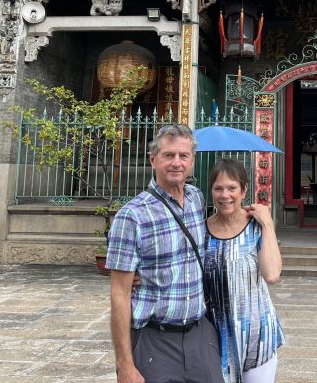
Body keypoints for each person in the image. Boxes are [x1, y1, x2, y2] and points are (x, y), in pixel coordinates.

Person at [106, 123, 224, 383]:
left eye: (184, 156)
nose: (176, 163)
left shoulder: (196, 199)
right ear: (153, 159)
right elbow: (120, 293)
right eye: (168, 155)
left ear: (192, 160)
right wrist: (125, 365)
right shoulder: (132, 216)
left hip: (199, 334)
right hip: (154, 340)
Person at [204, 158, 285, 383]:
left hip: (256, 335)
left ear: (244, 189)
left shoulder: (257, 228)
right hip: (214, 335)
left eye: (232, 188)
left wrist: (268, 224)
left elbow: (272, 274)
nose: (225, 195)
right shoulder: (200, 231)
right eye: (218, 188)